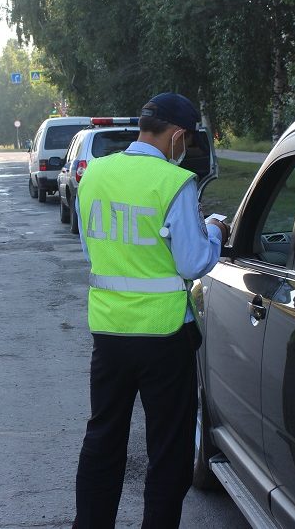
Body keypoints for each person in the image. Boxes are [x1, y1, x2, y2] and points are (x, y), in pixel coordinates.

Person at [72, 92, 229, 528]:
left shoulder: (95, 175)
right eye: (189, 140)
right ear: (177, 135)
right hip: (164, 340)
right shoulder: (174, 182)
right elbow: (193, 262)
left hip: (109, 336)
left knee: (103, 440)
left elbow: (91, 249)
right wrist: (214, 230)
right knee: (168, 451)